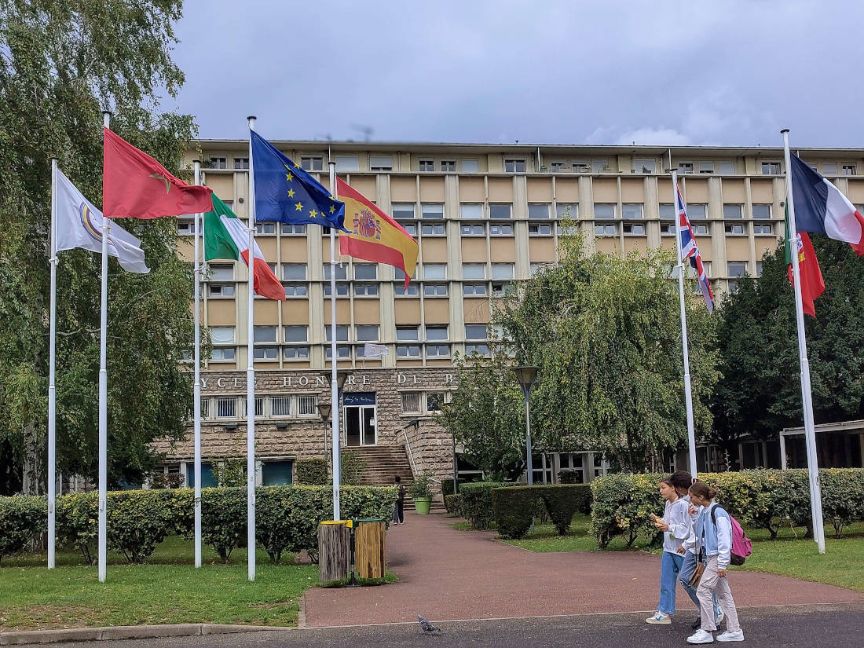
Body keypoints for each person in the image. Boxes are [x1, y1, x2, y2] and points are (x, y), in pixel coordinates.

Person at [684, 481, 744, 644]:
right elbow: (699, 533)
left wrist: (723, 563)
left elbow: (725, 538)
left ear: (700, 497)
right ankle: (734, 629)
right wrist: (694, 516)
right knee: (724, 594)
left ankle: (707, 629)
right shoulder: (705, 511)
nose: (690, 500)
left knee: (703, 590)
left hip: (717, 557)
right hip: (712, 556)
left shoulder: (718, 512)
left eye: (692, 497)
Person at [671, 470, 722, 631]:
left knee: (708, 584)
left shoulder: (699, 503)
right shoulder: (691, 502)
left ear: (680, 488)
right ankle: (706, 611)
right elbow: (695, 527)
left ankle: (715, 613)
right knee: (686, 579)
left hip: (704, 550)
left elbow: (702, 529)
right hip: (694, 549)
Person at [646, 477, 691, 625]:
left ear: (673, 488)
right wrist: (660, 523)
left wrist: (670, 528)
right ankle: (664, 612)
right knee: (666, 582)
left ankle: (713, 609)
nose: (661, 491)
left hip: (682, 550)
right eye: (660, 488)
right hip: (668, 549)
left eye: (663, 487)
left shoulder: (684, 505)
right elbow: (669, 523)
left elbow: (688, 529)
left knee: (691, 583)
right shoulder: (668, 504)